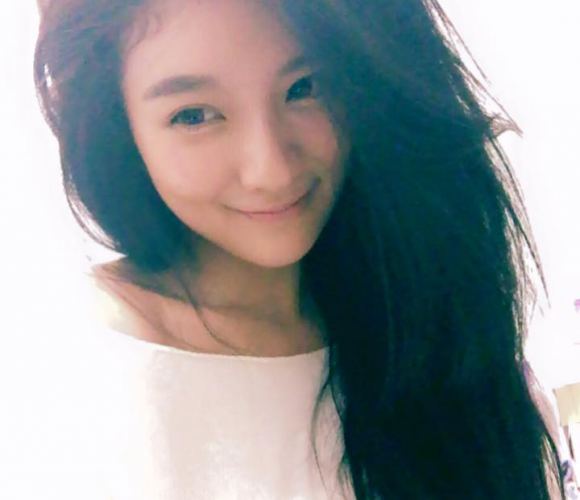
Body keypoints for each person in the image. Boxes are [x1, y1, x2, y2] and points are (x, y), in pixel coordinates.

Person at [34, 0, 565, 498]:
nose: (271, 170)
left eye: (305, 87)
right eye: (194, 115)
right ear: (119, 126)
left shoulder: (435, 324)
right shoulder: (74, 373)